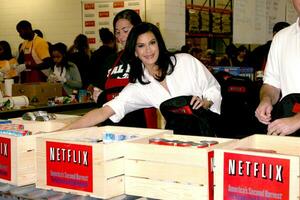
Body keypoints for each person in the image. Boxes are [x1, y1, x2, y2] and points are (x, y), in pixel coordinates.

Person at [62, 22, 221, 131]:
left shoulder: (185, 62)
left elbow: (213, 88)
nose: (148, 50)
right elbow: (104, 112)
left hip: (212, 134)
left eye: (152, 43)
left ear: (159, 44)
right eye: (141, 46)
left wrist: (206, 102)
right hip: (178, 142)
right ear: (135, 52)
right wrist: (60, 131)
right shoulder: (140, 85)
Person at [92, 9, 157, 128]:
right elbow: (98, 90)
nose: (121, 37)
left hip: (141, 125)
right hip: (112, 123)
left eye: (125, 31)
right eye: (117, 32)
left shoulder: (148, 57)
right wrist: (98, 95)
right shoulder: (111, 60)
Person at [255, 0, 300, 136]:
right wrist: (266, 99)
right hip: (289, 126)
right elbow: (271, 84)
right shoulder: (281, 38)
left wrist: (297, 121)